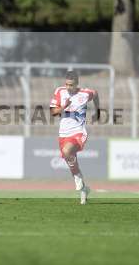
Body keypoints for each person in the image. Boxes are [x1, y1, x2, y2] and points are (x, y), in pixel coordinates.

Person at [49, 71, 99, 205]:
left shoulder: (85, 93)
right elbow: (53, 112)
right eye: (66, 84)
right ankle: (83, 188)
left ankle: (78, 179)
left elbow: (95, 94)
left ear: (77, 84)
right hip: (63, 134)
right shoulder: (60, 91)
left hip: (79, 133)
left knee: (67, 152)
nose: (68, 87)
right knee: (70, 160)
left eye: (71, 85)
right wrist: (63, 107)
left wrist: (97, 111)